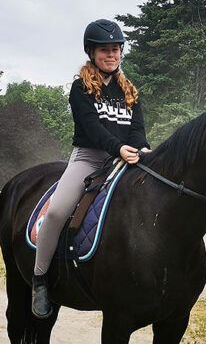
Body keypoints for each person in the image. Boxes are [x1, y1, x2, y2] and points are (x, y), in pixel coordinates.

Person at [31, 18, 151, 318]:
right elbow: (92, 128)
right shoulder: (80, 87)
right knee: (57, 212)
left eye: (116, 49)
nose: (111, 55)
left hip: (124, 159)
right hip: (88, 159)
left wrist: (142, 148)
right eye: (104, 50)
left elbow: (137, 130)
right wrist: (118, 148)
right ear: (91, 53)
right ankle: (40, 279)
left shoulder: (130, 92)